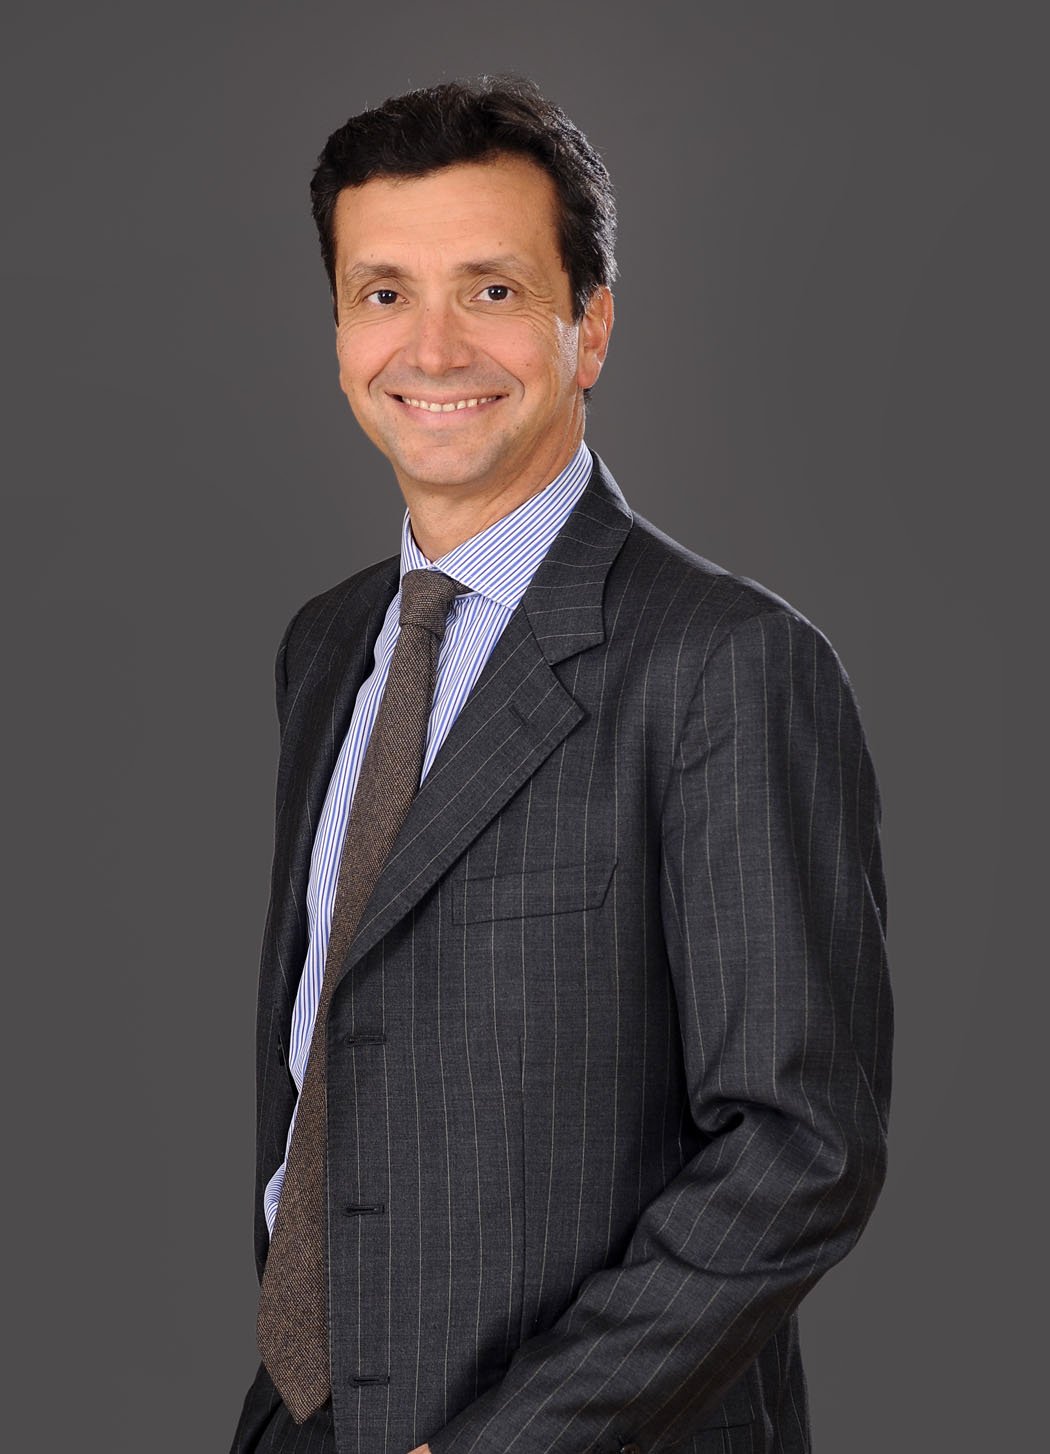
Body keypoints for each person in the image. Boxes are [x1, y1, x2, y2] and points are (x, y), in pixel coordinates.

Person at [229, 75, 892, 1454]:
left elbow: (798, 1149)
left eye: (491, 290)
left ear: (587, 327)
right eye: (383, 292)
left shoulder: (726, 662)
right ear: (340, 329)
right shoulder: (326, 647)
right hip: (307, 1414)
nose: (431, 346)